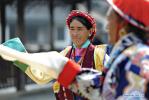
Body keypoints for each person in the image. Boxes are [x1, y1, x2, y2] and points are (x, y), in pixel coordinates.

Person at [0, 0, 149, 99]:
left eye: (110, 19)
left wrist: (59, 67)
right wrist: (19, 55)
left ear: (123, 24)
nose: (107, 26)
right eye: (72, 29)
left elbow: (102, 89)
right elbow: (102, 86)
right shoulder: (131, 54)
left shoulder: (134, 58)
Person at [53, 10, 109, 100]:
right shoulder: (64, 54)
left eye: (79, 29)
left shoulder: (99, 54)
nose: (75, 34)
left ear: (90, 31)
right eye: (72, 29)